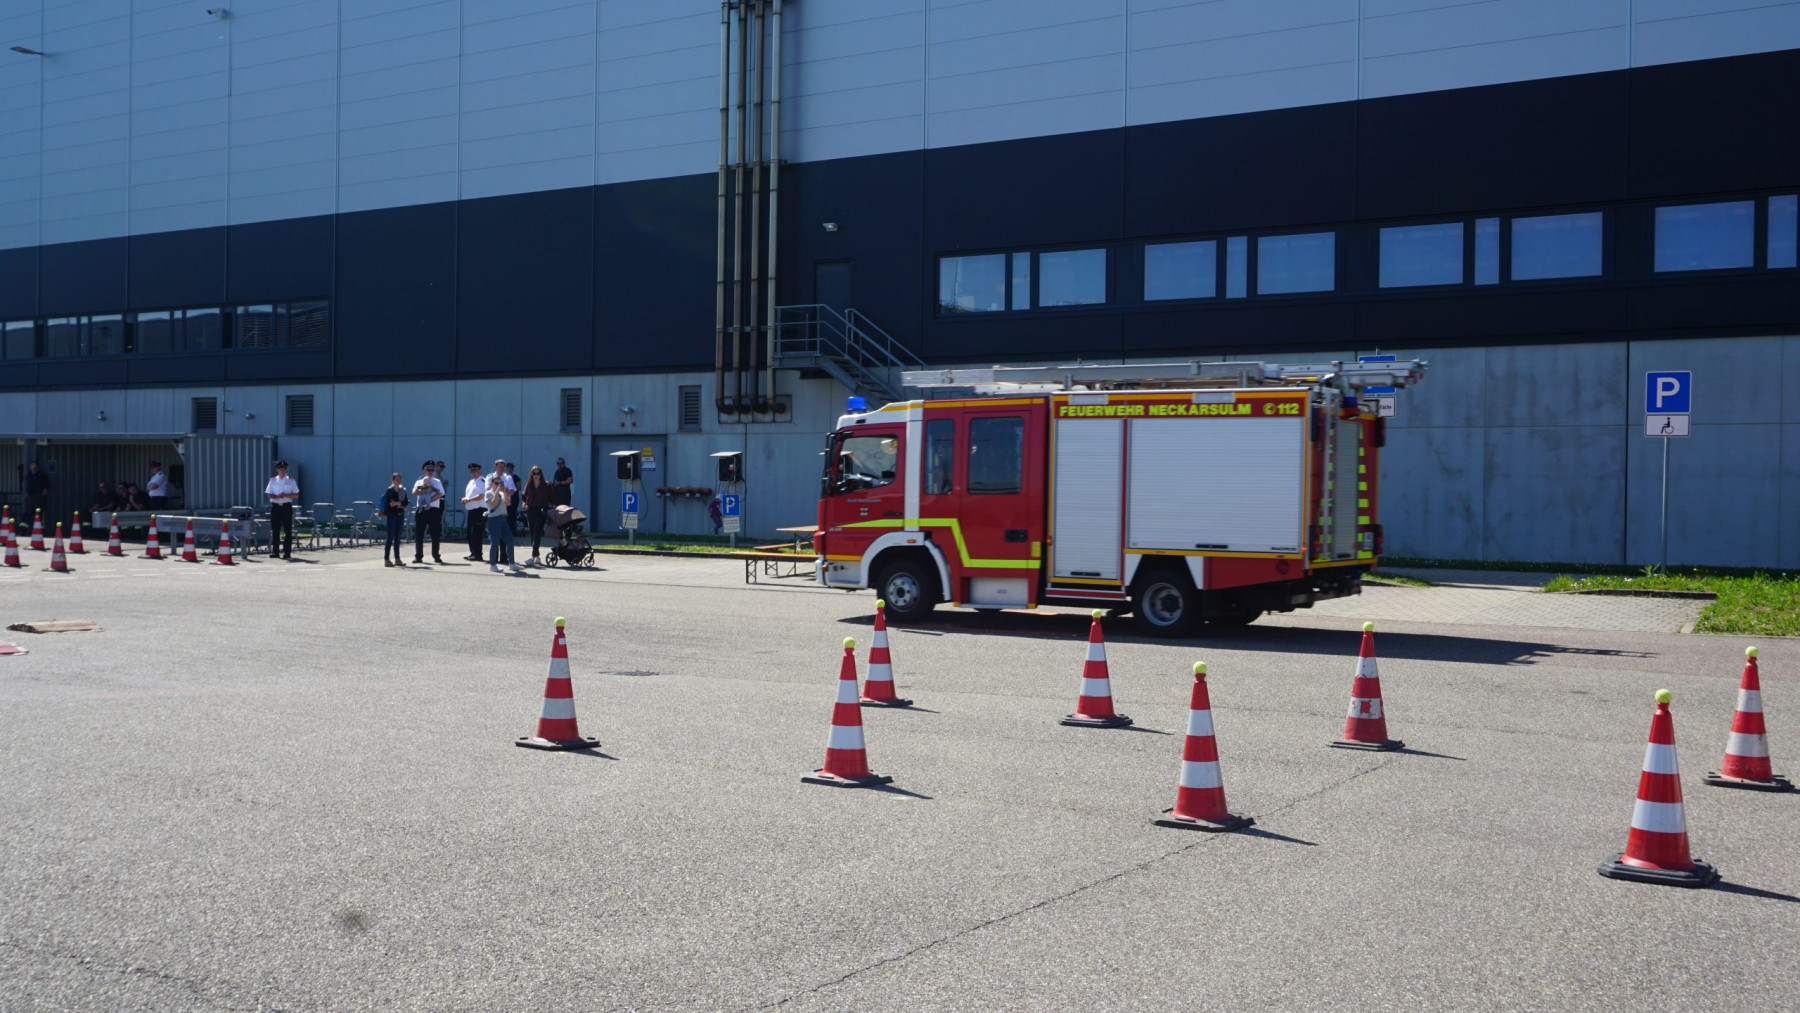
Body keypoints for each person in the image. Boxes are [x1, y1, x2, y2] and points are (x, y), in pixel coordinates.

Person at [484, 460, 520, 572]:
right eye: (496, 483)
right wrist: (497, 491)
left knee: (510, 541)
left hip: (503, 519)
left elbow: (508, 504)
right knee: (495, 543)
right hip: (493, 520)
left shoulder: (501, 493)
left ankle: (512, 563)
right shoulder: (489, 493)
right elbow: (493, 504)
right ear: (492, 484)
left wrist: (504, 491)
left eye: (500, 483)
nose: (498, 485)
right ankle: (492, 565)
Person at [411, 460, 445, 564]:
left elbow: (440, 494)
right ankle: (418, 556)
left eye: (432, 470)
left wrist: (428, 501)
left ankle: (436, 556)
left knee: (435, 533)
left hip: (433, 509)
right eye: (428, 470)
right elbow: (414, 493)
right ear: (424, 471)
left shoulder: (437, 482)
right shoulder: (419, 482)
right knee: (419, 533)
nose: (430, 472)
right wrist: (425, 490)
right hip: (421, 510)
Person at [265, 460, 299, 559]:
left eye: (284, 469)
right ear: (277, 469)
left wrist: (285, 495)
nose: (282, 470)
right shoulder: (272, 480)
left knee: (288, 530)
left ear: (286, 469)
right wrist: (275, 496)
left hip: (286, 506)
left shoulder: (291, 480)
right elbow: (269, 494)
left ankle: (287, 552)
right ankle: (275, 552)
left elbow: (296, 495)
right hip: (275, 506)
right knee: (275, 530)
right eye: (280, 468)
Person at [521, 465, 552, 565]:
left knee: (537, 533)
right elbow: (523, 497)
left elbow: (552, 497)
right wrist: (524, 505)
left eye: (538, 473)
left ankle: (534, 556)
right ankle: (536, 556)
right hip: (530, 511)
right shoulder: (529, 485)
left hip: (541, 511)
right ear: (531, 474)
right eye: (534, 473)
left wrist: (553, 507)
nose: (536, 475)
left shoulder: (546, 484)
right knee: (532, 533)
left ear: (541, 474)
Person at [460, 462, 487, 560]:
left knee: (477, 533)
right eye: (471, 471)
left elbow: (481, 495)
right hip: (471, 510)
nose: (473, 473)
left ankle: (478, 554)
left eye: (475, 471)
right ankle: (473, 552)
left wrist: (468, 500)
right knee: (470, 533)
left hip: (479, 510)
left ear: (479, 471)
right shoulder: (471, 482)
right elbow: (469, 495)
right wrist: (465, 499)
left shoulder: (482, 481)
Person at [381, 473, 408, 567]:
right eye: (397, 479)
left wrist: (398, 503)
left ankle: (397, 559)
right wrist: (400, 504)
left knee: (398, 538)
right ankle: (386, 559)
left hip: (400, 515)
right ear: (392, 480)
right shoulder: (390, 490)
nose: (399, 481)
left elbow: (406, 503)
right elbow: (391, 504)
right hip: (392, 515)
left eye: (400, 479)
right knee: (390, 537)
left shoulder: (402, 490)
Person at [504, 462, 521, 533]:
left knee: (512, 514)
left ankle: (512, 529)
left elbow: (519, 487)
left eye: (511, 468)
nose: (510, 469)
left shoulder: (515, 477)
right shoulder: (504, 477)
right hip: (506, 498)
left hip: (514, 498)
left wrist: (512, 489)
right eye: (508, 468)